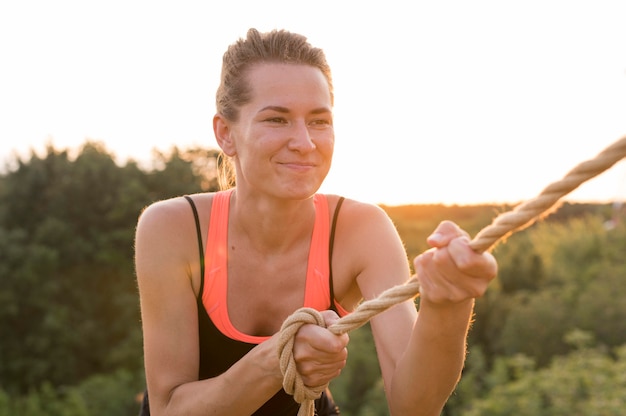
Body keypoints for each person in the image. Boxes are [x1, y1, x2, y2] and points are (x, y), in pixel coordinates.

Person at [134, 28, 497, 416]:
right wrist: (277, 361)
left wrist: (448, 307)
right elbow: (169, 409)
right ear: (226, 134)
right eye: (277, 119)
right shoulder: (173, 229)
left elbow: (414, 406)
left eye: (319, 121)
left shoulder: (361, 230)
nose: (305, 142)